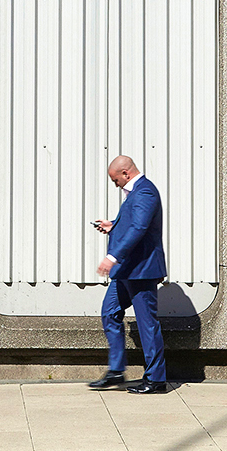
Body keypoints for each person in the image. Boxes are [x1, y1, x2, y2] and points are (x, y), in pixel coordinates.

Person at [87, 155, 168, 394]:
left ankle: (155, 379)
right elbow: (132, 223)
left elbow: (140, 228)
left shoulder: (145, 192)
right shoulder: (135, 193)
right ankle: (116, 369)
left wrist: (112, 257)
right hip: (127, 271)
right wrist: (114, 224)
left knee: (146, 324)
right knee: (110, 312)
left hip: (141, 271)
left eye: (115, 180)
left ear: (126, 173)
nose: (115, 185)